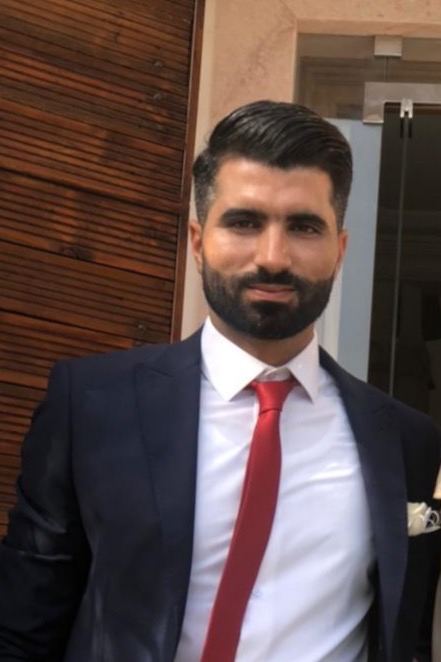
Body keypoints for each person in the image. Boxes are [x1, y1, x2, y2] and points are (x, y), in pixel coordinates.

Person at [0, 100, 440, 662]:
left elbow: (407, 631)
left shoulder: (407, 441)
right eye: (244, 222)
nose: (273, 257)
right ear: (197, 241)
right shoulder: (92, 406)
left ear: (340, 251)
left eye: (304, 226)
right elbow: (23, 627)